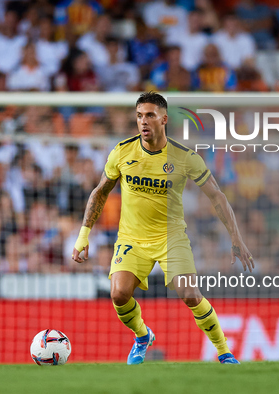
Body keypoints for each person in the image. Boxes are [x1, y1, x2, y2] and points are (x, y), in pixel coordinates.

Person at [72, 92, 254, 365]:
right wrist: (83, 235)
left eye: (150, 115)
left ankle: (224, 351)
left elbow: (217, 196)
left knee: (190, 294)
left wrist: (235, 237)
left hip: (171, 238)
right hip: (132, 238)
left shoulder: (185, 157)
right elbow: (100, 192)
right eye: (139, 116)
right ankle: (142, 335)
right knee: (119, 294)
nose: (143, 122)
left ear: (164, 119)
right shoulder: (122, 151)